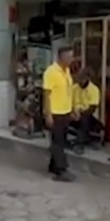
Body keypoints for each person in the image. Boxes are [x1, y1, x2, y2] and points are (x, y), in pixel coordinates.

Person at [42, 46, 76, 181]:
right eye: (69, 57)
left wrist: (72, 109)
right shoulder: (51, 72)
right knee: (57, 141)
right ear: (61, 57)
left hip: (65, 111)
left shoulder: (66, 71)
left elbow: (69, 91)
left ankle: (53, 165)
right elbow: (46, 94)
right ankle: (61, 169)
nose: (72, 59)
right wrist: (48, 113)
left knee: (61, 140)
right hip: (55, 111)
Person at [71, 66, 102, 152]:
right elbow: (69, 103)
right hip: (75, 113)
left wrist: (80, 114)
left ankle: (79, 145)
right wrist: (72, 113)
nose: (80, 81)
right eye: (79, 79)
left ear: (87, 78)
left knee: (84, 119)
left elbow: (92, 109)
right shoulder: (74, 88)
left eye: (82, 79)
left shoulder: (94, 90)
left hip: (89, 116)